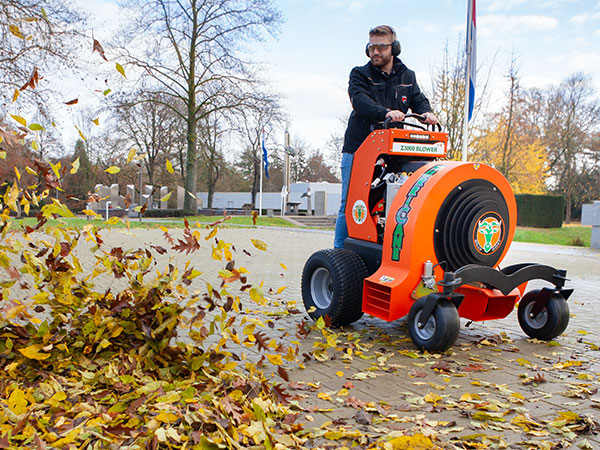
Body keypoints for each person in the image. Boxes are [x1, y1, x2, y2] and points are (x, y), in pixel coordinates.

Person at [333, 25, 438, 248]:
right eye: (372, 47)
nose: (375, 52)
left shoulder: (407, 76)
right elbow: (360, 101)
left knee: (392, 200)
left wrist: (427, 112)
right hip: (359, 148)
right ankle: (339, 256)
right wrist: (386, 113)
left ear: (394, 48)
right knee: (350, 203)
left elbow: (418, 99)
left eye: (381, 47)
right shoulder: (360, 74)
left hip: (393, 152)